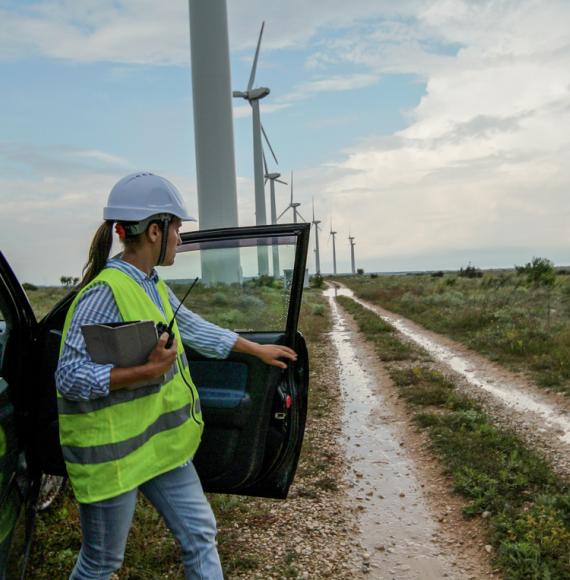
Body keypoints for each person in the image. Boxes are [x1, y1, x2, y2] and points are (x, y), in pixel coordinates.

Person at [55, 172, 297, 580]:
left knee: (201, 533)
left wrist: (255, 350)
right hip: (113, 456)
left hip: (158, 448)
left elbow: (192, 325)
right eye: (177, 228)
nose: (180, 239)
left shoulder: (150, 284)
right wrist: (145, 371)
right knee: (102, 563)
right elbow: (69, 377)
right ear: (154, 230)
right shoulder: (104, 292)